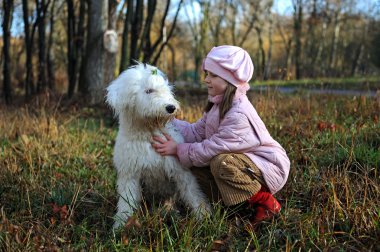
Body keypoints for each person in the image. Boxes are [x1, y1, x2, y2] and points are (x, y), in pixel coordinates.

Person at [151, 45, 290, 225]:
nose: (207, 80)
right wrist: (168, 121)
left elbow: (212, 148)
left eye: (213, 75)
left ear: (230, 80)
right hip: (241, 164)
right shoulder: (218, 106)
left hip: (264, 166)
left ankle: (263, 201)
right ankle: (233, 206)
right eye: (207, 74)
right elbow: (196, 132)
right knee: (192, 170)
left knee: (220, 162)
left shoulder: (238, 114)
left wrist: (178, 149)